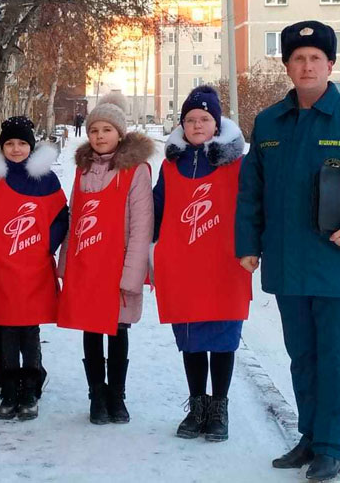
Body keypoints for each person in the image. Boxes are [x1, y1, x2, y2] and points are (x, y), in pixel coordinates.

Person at [235, 20, 340, 480]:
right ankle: (309, 437)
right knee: (302, 355)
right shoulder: (269, 121)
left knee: (336, 356)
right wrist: (248, 244)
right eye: (297, 58)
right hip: (288, 263)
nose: (306, 65)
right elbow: (252, 190)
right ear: (287, 66)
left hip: (337, 261)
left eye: (315, 58)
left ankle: (331, 446)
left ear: (330, 64)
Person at [152, 86, 251, 442]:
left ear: (217, 123)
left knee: (223, 339)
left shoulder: (237, 164)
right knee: (192, 340)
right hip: (182, 266)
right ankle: (197, 407)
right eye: (190, 119)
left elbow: (252, 208)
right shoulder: (170, 164)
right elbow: (156, 208)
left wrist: (253, 247)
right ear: (182, 124)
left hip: (225, 265)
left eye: (204, 119)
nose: (197, 124)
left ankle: (219, 408)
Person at [57, 92, 154, 425]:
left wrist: (132, 274)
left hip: (117, 267)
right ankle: (96, 394)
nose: (100, 135)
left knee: (116, 329)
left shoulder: (136, 171)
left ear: (120, 133)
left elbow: (142, 226)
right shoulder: (82, 170)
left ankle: (117, 394)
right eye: (94, 129)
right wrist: (66, 262)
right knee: (91, 329)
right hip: (87, 265)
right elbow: (74, 219)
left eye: (107, 130)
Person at [0, 116, 68, 420]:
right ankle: (9, 390)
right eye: (9, 143)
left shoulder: (46, 180)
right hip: (1, 267)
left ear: (31, 145)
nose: (15, 148)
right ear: (1, 146)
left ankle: (30, 389)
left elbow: (61, 217)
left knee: (28, 330)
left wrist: (45, 246)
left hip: (33, 267)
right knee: (5, 329)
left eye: (22, 143)